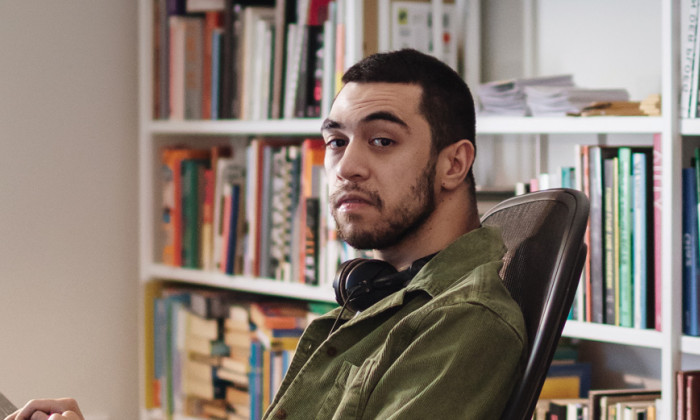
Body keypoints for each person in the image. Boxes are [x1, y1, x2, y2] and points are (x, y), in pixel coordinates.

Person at [5, 48, 527, 420]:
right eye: (337, 142)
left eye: (382, 140)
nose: (347, 167)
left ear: (454, 163)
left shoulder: (462, 323)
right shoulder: (382, 294)